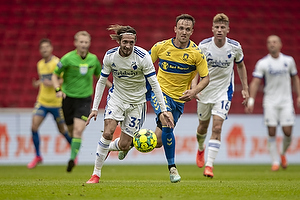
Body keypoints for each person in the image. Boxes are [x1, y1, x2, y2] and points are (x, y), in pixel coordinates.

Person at [115, 14, 209, 183]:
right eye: (181, 28)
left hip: (179, 100)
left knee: (158, 141)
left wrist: (194, 91)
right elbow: (144, 66)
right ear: (175, 29)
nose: (184, 32)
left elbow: (206, 78)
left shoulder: (196, 53)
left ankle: (128, 144)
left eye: (188, 29)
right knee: (168, 121)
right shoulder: (161, 47)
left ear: (192, 31)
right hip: (160, 93)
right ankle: (172, 168)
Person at [85, 25, 174, 184]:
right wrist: (94, 108)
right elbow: (101, 81)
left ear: (135, 42)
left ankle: (107, 147)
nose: (128, 46)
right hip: (117, 98)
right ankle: (96, 174)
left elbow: (155, 84)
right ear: (119, 41)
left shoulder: (142, 57)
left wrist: (164, 110)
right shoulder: (110, 56)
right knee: (107, 132)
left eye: (131, 42)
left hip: (137, 103)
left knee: (125, 144)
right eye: (125, 42)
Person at [193, 13, 249, 178]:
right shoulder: (203, 46)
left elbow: (241, 66)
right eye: (216, 27)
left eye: (222, 27)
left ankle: (209, 166)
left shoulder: (234, 47)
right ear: (212, 29)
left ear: (227, 29)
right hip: (204, 92)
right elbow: (195, 67)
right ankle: (201, 148)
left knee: (217, 127)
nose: (219, 30)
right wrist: (194, 86)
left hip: (224, 92)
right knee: (202, 127)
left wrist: (245, 88)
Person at [52, 31, 111, 172]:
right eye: (81, 42)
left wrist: (112, 87)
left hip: (84, 99)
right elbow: (55, 75)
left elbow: (100, 76)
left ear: (89, 43)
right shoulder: (67, 59)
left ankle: (72, 159)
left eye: (86, 42)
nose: (84, 45)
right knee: (71, 131)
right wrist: (57, 89)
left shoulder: (93, 60)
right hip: (68, 99)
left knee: (78, 130)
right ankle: (74, 152)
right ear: (76, 43)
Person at [246, 35, 300, 171]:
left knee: (288, 131)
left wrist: (299, 96)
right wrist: (251, 100)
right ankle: (275, 161)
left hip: (286, 101)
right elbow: (255, 82)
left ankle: (282, 153)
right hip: (270, 101)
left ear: (280, 44)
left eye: (275, 42)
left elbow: (295, 78)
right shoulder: (263, 63)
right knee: (272, 131)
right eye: (269, 42)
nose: (272, 44)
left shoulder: (288, 61)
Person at [27, 38, 72, 169]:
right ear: (40, 50)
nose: (44, 49)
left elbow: (64, 79)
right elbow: (43, 79)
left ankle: (74, 150)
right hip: (42, 101)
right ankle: (38, 156)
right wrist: (38, 83)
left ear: (51, 48)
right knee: (34, 127)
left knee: (62, 130)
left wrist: (52, 83)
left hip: (56, 103)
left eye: (47, 47)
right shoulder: (40, 64)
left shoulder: (57, 62)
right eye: (42, 47)